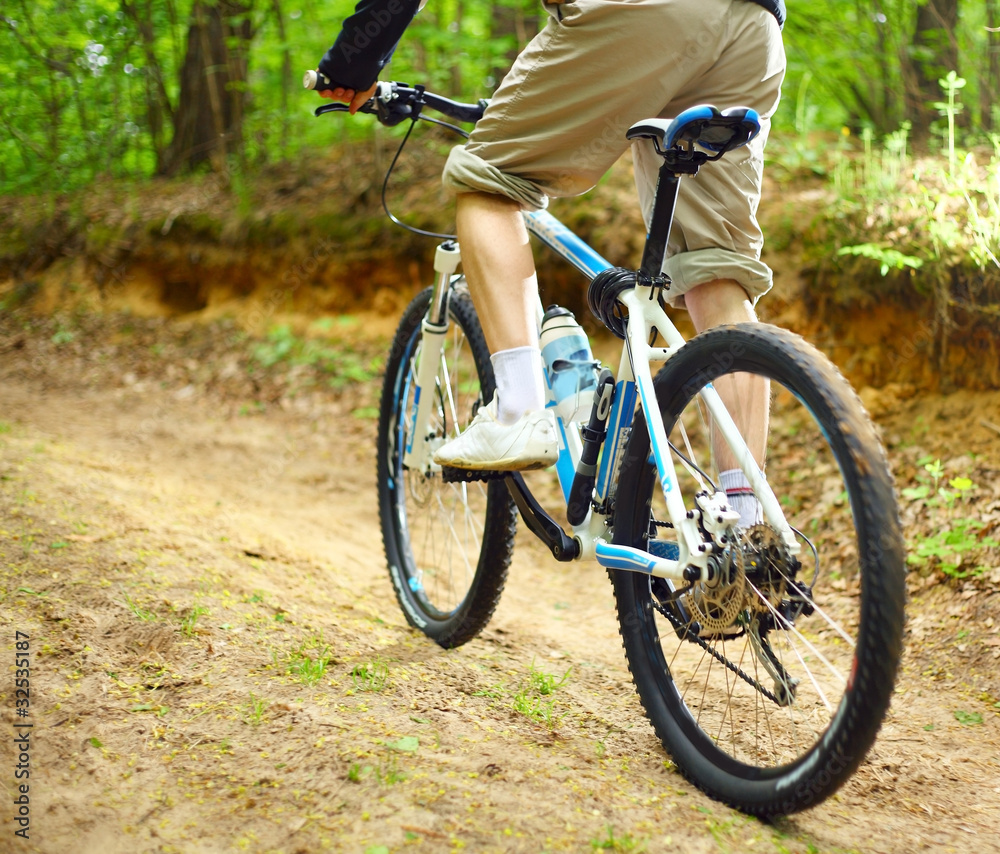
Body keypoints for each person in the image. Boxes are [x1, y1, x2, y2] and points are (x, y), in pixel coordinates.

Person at [317, 0, 786, 528]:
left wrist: (350, 65)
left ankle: (517, 411)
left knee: (486, 180)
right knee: (714, 270)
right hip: (754, 29)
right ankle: (745, 523)